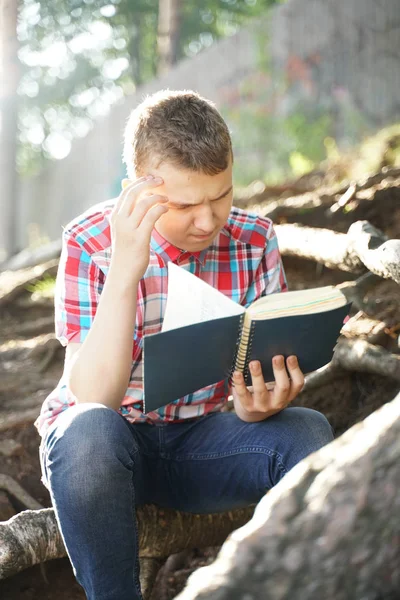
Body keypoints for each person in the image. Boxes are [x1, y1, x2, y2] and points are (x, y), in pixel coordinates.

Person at [35, 90, 333, 600]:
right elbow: (93, 400)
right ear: (138, 192)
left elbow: (254, 376)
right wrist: (127, 269)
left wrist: (259, 405)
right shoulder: (90, 240)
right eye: (186, 204)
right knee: (87, 431)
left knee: (308, 431)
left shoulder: (254, 240)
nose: (208, 220)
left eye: (221, 195)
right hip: (106, 456)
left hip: (201, 442)